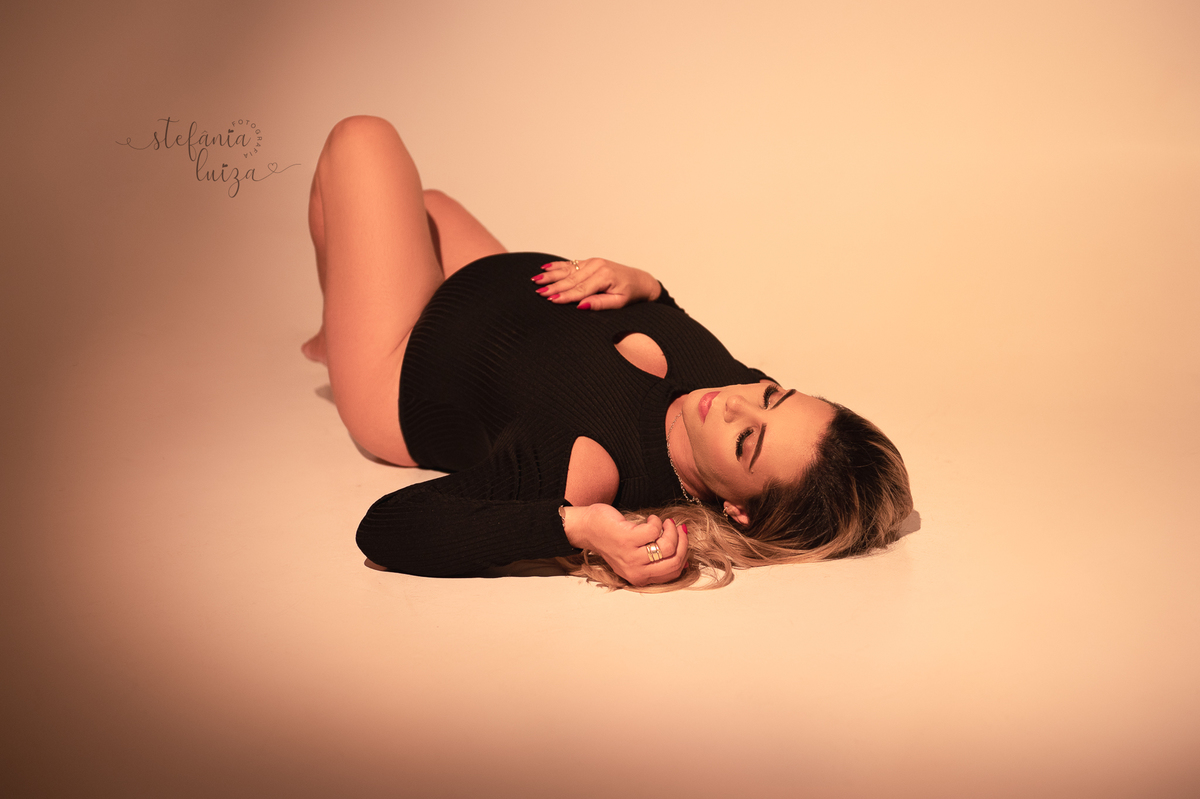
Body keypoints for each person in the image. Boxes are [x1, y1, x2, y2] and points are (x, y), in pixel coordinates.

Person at [301, 115, 912, 591]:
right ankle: (345, 327)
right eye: (775, 395)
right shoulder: (736, 391)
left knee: (362, 143)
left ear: (737, 510)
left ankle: (351, 347)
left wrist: (574, 526)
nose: (736, 403)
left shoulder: (590, 470)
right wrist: (648, 286)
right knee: (425, 206)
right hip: (491, 298)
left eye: (746, 440)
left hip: (407, 364)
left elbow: (385, 527)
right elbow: (675, 327)